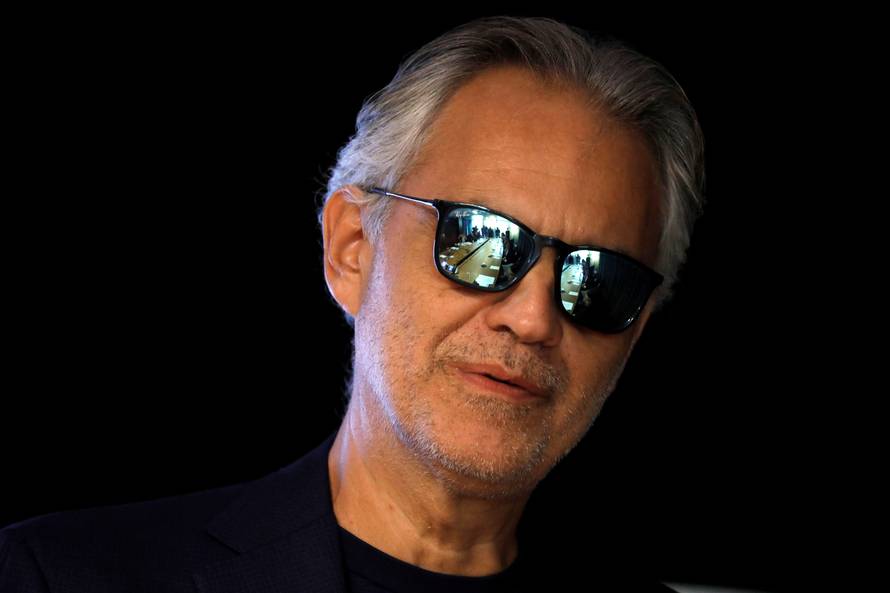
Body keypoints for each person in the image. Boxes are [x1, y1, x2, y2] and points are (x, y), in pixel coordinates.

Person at [0, 15, 705, 593]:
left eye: (598, 279)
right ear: (351, 249)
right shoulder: (59, 577)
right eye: (479, 239)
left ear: (635, 331)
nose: (532, 317)